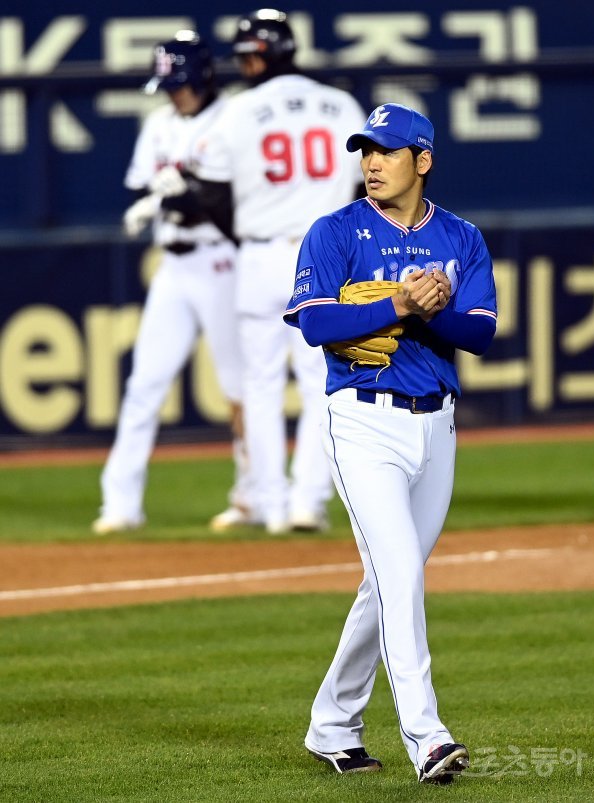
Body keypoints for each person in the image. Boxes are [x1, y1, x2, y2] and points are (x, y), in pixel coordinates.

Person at [284, 103, 497, 783]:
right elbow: (315, 323)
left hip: (438, 426)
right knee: (401, 571)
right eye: (366, 151)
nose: (372, 163)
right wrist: (398, 305)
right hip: (362, 422)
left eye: (387, 151)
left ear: (422, 160)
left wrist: (431, 311)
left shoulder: (462, 237)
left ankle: (332, 724)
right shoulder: (335, 231)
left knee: (385, 586)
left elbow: (481, 331)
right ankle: (428, 737)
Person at [190, 9, 366, 534]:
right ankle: (306, 502)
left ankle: (271, 505)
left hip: (259, 257)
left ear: (268, 55)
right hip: (323, 255)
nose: (245, 64)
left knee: (261, 385)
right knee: (320, 382)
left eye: (250, 55)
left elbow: (210, 193)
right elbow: (369, 185)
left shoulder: (236, 112)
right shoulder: (340, 105)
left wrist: (245, 236)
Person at [92, 31, 255, 534]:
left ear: (203, 76)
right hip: (174, 265)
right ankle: (120, 505)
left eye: (179, 83)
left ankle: (251, 497)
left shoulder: (234, 118)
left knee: (238, 385)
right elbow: (140, 184)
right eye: (167, 85)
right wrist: (155, 198)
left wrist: (187, 194)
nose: (173, 94)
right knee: (144, 383)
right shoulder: (159, 125)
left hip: (222, 261)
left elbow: (237, 196)